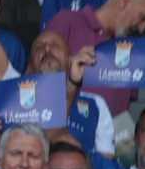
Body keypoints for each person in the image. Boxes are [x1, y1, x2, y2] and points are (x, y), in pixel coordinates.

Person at [43, 0, 145, 116]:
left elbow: (125, 109)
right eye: (143, 18)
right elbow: (39, 83)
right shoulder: (67, 22)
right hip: (64, 132)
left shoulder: (131, 49)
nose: (142, 28)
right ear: (124, 3)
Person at [27, 29, 117, 159]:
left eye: (55, 45)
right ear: (30, 66)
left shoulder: (96, 103)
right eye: (39, 47)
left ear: (70, 60)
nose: (47, 48)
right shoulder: (17, 102)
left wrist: (79, 155)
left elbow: (106, 161)